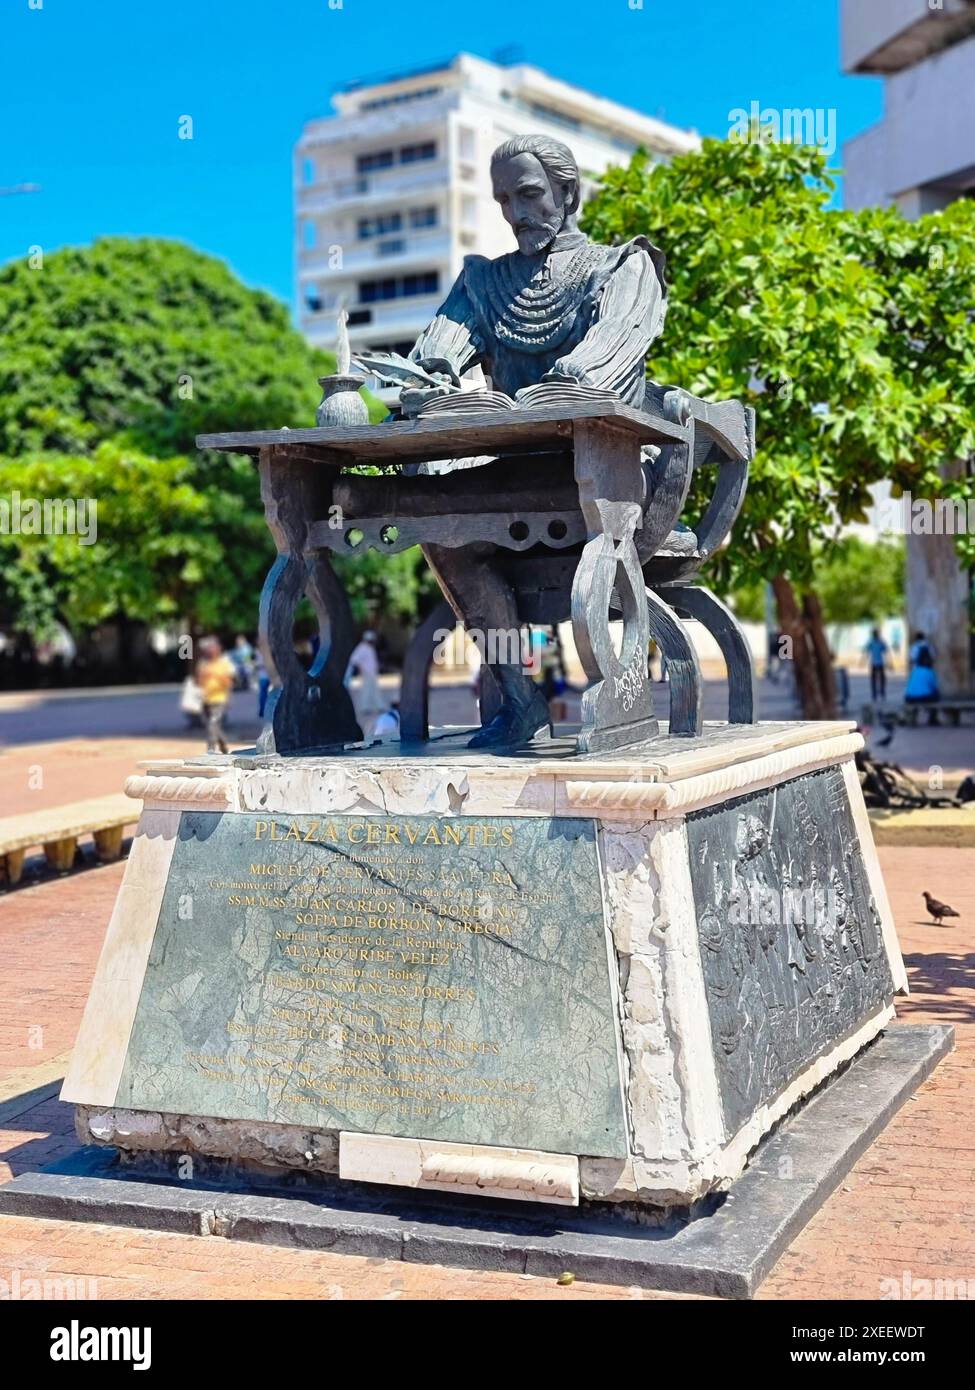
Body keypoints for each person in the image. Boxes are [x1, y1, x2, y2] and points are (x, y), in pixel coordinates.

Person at [400, 133, 667, 750]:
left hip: (608, 469)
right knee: (430, 517)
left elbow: (606, 360)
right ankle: (520, 703)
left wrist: (564, 384)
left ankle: (614, 697)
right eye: (503, 201)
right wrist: (433, 374)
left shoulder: (624, 266)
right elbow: (436, 353)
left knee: (578, 500)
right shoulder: (482, 283)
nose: (516, 214)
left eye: (529, 195)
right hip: (513, 470)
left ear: (566, 193)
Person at [196, 636, 235, 754]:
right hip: (206, 699)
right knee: (212, 725)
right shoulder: (203, 663)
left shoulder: (224, 663)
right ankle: (223, 744)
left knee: (212, 724)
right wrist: (203, 675)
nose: (210, 651)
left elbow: (229, 682)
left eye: (212, 648)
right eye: (208, 649)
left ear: (218, 649)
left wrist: (214, 674)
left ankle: (211, 749)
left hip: (220, 699)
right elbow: (199, 681)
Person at [345, 630, 384, 737]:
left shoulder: (369, 648)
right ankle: (365, 707)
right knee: (367, 691)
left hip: (372, 673)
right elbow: (354, 659)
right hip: (367, 673)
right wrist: (361, 668)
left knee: (374, 690)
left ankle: (379, 706)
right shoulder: (362, 647)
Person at [904, 645, 940, 723]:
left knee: (916, 697)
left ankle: (913, 717)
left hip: (910, 697)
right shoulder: (930, 671)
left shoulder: (914, 670)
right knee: (936, 696)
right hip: (924, 697)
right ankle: (932, 718)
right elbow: (934, 687)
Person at [863, 627, 889, 702]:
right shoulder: (877, 642)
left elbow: (885, 652)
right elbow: (867, 652)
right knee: (876, 679)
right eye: (875, 633)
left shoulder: (877, 642)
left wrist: (889, 662)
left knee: (880, 679)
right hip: (876, 663)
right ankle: (877, 694)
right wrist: (863, 661)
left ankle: (880, 693)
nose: (875, 635)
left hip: (878, 662)